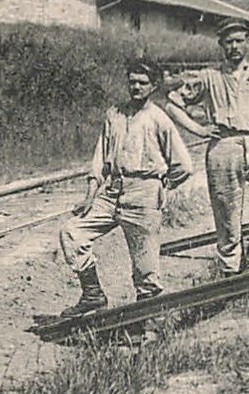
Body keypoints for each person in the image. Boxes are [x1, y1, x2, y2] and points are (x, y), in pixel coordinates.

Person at [56, 61, 193, 317]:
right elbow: (99, 158)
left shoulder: (158, 119)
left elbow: (184, 165)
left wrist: (161, 187)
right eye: (132, 82)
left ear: (153, 86)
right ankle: (93, 295)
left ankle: (148, 323)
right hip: (112, 192)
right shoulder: (114, 114)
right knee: (72, 232)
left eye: (142, 82)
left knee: (146, 270)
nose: (136, 87)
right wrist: (90, 196)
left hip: (144, 194)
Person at [161, 17, 249, 276]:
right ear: (222, 45)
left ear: (248, 43)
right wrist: (199, 129)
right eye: (229, 42)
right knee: (228, 217)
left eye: (239, 41)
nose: (234, 47)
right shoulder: (209, 77)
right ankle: (231, 277)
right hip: (223, 147)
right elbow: (173, 103)